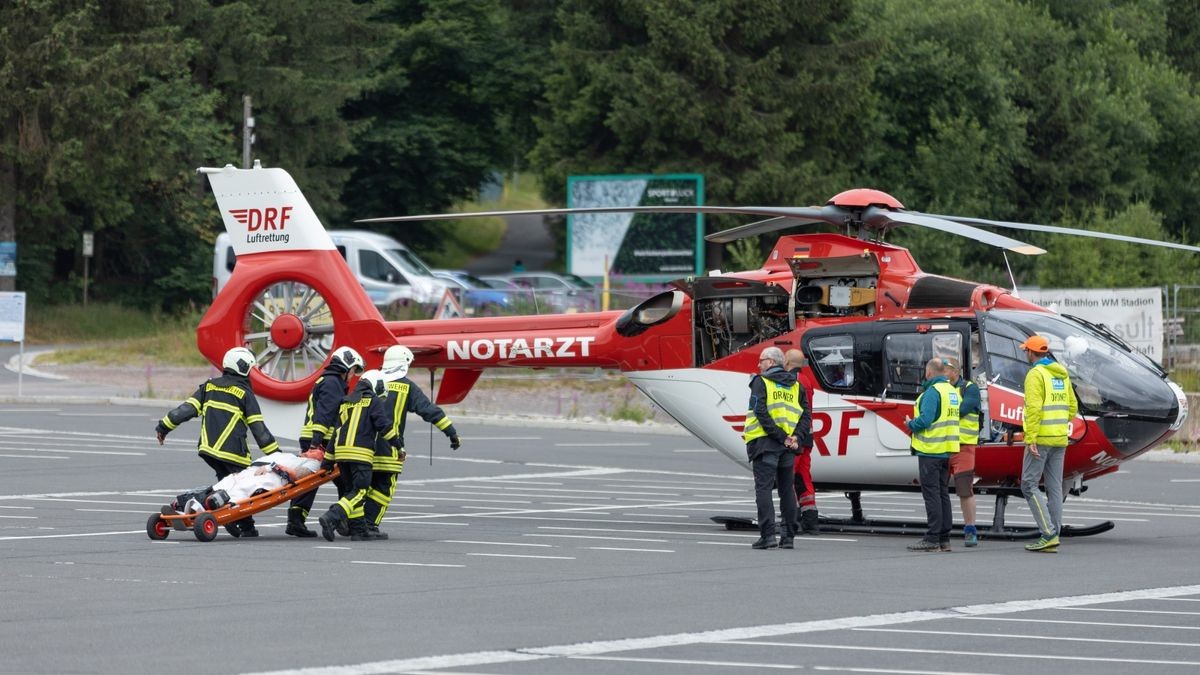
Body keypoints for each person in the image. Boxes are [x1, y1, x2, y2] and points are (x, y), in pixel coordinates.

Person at [156, 346, 280, 538]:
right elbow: (260, 431)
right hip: (233, 453)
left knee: (226, 485)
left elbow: (186, 409)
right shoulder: (244, 393)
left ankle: (231, 520)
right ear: (244, 368)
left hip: (208, 450)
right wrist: (277, 456)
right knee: (244, 488)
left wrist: (163, 426)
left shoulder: (209, 386)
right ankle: (243, 525)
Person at [362, 345, 462, 539]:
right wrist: (451, 432)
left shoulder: (369, 380)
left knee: (361, 487)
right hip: (389, 448)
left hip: (360, 446)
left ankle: (350, 522)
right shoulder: (406, 387)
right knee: (384, 488)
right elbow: (429, 410)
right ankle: (369, 525)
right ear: (404, 364)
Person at [286, 347, 365, 538]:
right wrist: (316, 443)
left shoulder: (327, 380)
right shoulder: (333, 383)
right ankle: (337, 520)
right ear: (345, 366)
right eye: (353, 370)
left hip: (317, 437)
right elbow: (325, 414)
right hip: (322, 440)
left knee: (313, 482)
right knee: (339, 480)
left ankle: (298, 520)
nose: (353, 375)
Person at [318, 370, 403, 542]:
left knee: (351, 491)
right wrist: (398, 446)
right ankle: (332, 516)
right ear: (375, 384)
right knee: (360, 492)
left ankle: (359, 530)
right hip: (361, 455)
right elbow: (383, 426)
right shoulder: (373, 400)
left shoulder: (346, 402)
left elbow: (336, 432)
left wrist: (328, 460)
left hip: (341, 455)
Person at [1018, 335, 1078, 553]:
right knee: (1054, 487)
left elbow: (1033, 408)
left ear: (1032, 353)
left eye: (1026, 351)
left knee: (1028, 484)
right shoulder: (1061, 374)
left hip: (1041, 438)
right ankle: (1055, 533)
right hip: (1060, 437)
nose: (1025, 354)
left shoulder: (1035, 374)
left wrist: (1030, 437)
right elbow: (1072, 406)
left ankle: (1048, 533)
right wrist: (1060, 424)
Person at [743, 346, 801, 549]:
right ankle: (788, 537)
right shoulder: (795, 385)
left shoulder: (762, 381)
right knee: (787, 491)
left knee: (764, 489)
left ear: (771, 362)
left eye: (761, 360)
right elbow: (805, 415)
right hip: (786, 447)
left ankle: (768, 536)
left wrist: (780, 437)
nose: (758, 365)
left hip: (766, 444)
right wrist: (794, 438)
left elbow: (760, 412)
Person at [905, 357, 960, 552]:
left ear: (929, 373)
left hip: (930, 450)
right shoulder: (952, 392)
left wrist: (910, 424)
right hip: (946, 450)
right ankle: (944, 538)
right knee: (942, 493)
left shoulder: (932, 392)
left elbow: (926, 420)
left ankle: (932, 538)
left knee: (932, 495)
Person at [171, 448, 327, 515]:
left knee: (236, 492)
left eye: (316, 451)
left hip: (270, 477)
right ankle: (183, 502)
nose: (310, 450)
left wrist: (275, 467)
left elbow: (298, 476)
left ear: (320, 457)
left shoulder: (313, 464)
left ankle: (208, 506)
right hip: (251, 472)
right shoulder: (292, 456)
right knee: (223, 484)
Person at [943, 358, 981, 547]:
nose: (942, 372)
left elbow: (962, 410)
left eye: (945, 369)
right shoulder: (939, 389)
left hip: (963, 447)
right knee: (938, 490)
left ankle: (970, 530)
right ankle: (940, 530)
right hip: (941, 446)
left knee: (965, 490)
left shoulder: (970, 388)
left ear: (955, 371)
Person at [783, 349, 818, 535]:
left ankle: (791, 519)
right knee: (803, 476)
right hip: (807, 437)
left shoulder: (791, 381)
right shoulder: (807, 381)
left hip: (794, 435)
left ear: (787, 361)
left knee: (788, 476)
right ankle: (811, 520)